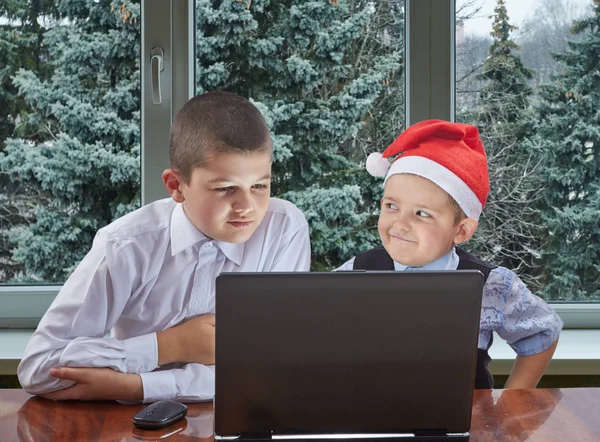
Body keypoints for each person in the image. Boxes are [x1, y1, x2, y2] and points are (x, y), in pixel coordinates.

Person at [17, 91, 311, 402]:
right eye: (226, 189)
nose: (247, 207)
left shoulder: (284, 230)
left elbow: (272, 368)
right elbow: (38, 368)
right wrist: (168, 345)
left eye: (260, 186)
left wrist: (136, 386)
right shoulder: (124, 247)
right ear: (176, 186)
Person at [338, 119, 562, 389]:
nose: (399, 224)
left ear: (462, 230)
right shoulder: (354, 272)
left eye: (422, 213)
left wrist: (513, 402)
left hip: (468, 425)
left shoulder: (490, 285)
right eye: (391, 206)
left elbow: (543, 332)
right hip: (373, 423)